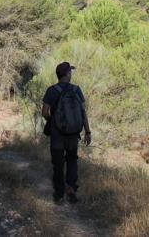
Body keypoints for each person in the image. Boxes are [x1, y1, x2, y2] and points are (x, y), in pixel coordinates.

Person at [42, 62, 91, 204]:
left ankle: (59, 195)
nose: (71, 74)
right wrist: (87, 131)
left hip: (57, 135)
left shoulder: (52, 90)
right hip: (73, 135)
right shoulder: (76, 90)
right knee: (72, 161)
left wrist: (53, 120)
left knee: (58, 164)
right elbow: (83, 113)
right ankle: (70, 188)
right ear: (67, 74)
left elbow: (44, 112)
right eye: (70, 72)